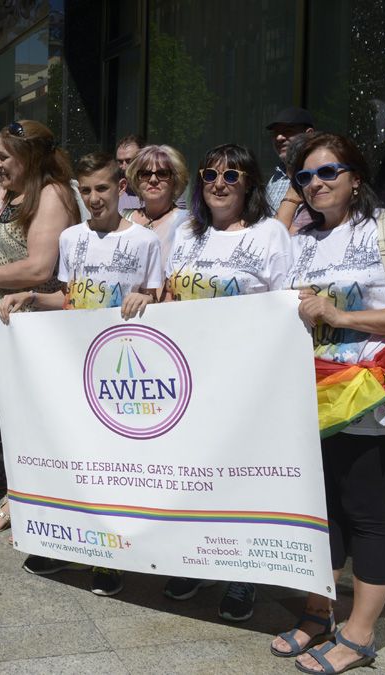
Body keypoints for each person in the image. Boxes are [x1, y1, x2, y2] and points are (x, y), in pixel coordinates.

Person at [275, 132, 385, 674]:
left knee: (365, 510)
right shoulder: (300, 239)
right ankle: (317, 614)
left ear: (355, 177)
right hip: (306, 393)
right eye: (304, 177)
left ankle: (360, 632)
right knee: (318, 512)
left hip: (366, 390)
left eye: (328, 172)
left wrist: (342, 317)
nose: (316, 184)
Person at [0, 151, 163, 595]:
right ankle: (73, 545)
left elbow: (158, 302)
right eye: (86, 190)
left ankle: (112, 557)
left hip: (124, 372)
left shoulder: (145, 242)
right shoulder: (71, 238)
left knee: (116, 467)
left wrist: (147, 301)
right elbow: (71, 300)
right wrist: (31, 297)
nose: (93, 198)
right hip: (78, 365)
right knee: (79, 461)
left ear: (121, 189)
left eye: (102, 189)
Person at [160, 143, 292, 620]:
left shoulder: (270, 234)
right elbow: (173, 296)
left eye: (232, 176)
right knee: (197, 477)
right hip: (192, 380)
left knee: (241, 481)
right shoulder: (187, 232)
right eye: (211, 173)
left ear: (250, 185)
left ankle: (244, 577)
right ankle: (197, 560)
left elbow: (286, 306)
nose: (219, 183)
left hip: (246, 380)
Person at [0, 119, 79, 529]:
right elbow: (11, 250)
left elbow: (40, 265)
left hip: (37, 322)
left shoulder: (52, 194)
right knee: (12, 414)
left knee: (33, 416)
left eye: (6, 156)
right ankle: (23, 489)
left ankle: (26, 499)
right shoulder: (13, 195)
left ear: (29, 157)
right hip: (6, 321)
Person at [120, 145, 189, 269]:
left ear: (175, 180)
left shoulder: (186, 223)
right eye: (145, 174)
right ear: (136, 180)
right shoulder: (121, 218)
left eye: (162, 173)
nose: (152, 180)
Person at [265, 107, 316, 219]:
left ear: (309, 134)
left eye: (288, 131)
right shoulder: (275, 177)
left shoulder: (318, 177)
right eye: (275, 133)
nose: (279, 138)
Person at [115, 134, 144, 213]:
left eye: (129, 161)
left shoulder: (160, 191)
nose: (124, 167)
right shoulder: (113, 193)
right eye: (120, 162)